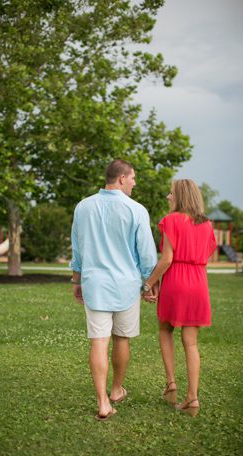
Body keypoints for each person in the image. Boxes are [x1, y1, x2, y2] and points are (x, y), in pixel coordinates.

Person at [70, 159, 157, 421]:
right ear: (121, 178)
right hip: (127, 286)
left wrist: (77, 281)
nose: (134, 183)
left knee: (98, 342)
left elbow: (77, 248)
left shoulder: (83, 207)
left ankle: (103, 402)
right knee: (121, 339)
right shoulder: (136, 210)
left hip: (94, 284)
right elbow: (147, 255)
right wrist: (149, 285)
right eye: (132, 178)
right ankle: (116, 389)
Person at [142, 179, 217, 417]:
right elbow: (208, 252)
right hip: (198, 282)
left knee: (165, 330)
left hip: (175, 280)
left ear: (181, 196)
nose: (167, 197)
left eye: (171, 193)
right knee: (191, 343)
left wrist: (148, 284)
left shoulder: (170, 221)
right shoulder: (207, 224)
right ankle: (193, 398)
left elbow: (166, 259)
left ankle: (171, 382)